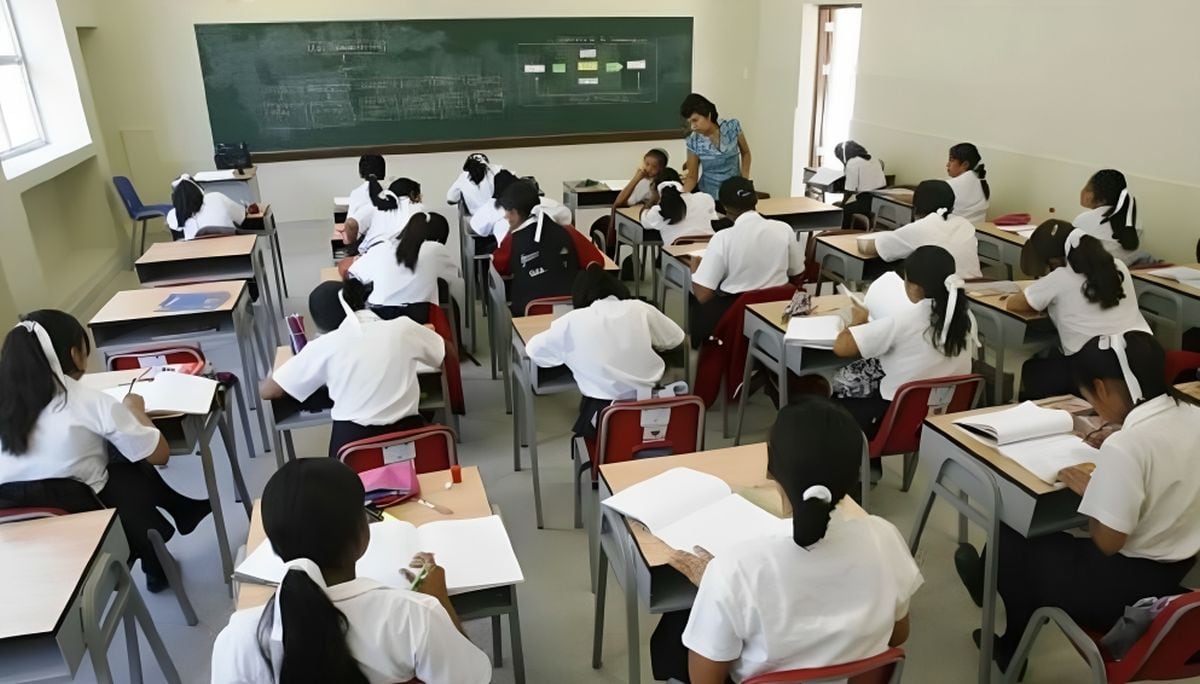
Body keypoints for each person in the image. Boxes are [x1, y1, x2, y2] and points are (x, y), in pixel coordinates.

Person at [955, 331, 1200, 676]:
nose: (1096, 413)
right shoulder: (1191, 413)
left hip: (1123, 592)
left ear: (1100, 388)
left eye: (1091, 400)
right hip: (1177, 570)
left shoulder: (1129, 446)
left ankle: (1009, 643)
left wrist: (1095, 491)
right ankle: (993, 591)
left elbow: (1108, 541)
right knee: (1039, 550)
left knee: (1012, 534)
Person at [650, 396, 923, 683]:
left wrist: (714, 587)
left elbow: (705, 680)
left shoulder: (735, 569)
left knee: (678, 624)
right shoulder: (884, 537)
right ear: (856, 473)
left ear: (770, 467)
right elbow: (898, 633)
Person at [210, 458, 491, 683]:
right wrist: (440, 600)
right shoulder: (413, 616)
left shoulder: (237, 640)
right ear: (361, 535)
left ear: (274, 545)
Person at [0, 310, 210, 592]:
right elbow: (160, 454)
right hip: (96, 534)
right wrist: (134, 410)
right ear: (76, 354)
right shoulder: (89, 401)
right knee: (125, 462)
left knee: (108, 463)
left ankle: (168, 533)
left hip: (23, 548)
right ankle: (158, 549)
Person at [260, 281, 445, 458]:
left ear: (321, 325)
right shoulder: (402, 328)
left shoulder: (325, 345)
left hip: (354, 449)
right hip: (413, 440)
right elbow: (440, 354)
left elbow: (269, 391)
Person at [832, 245, 976, 438]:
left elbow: (841, 347)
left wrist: (858, 320)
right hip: (948, 410)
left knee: (841, 384)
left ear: (915, 287)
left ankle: (857, 451)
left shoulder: (906, 320)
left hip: (897, 418)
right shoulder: (964, 317)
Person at [527, 264, 685, 439]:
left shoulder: (571, 321)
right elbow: (676, 337)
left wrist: (570, 355)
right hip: (655, 407)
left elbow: (534, 351)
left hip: (604, 412)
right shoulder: (640, 308)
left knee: (585, 441)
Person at [1006, 220, 1151, 398]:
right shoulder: (1119, 266)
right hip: (1140, 356)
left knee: (1033, 370)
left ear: (1054, 260)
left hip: (1094, 365)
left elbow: (1015, 304)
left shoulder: (1060, 277)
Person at [689, 177, 805, 347]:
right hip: (778, 309)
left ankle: (707, 355)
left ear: (724, 206)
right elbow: (798, 272)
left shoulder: (723, 238)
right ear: (755, 200)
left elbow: (703, 295)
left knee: (696, 305)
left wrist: (695, 271)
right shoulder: (783, 228)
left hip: (737, 313)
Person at [492, 179, 606, 315]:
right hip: (572, 310)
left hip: (530, 314)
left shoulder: (512, 239)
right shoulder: (567, 230)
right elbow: (597, 261)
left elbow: (497, 267)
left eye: (507, 212)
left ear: (515, 213)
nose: (506, 217)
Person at [347, 212, 463, 323]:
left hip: (380, 314)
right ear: (439, 238)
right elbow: (453, 279)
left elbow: (353, 272)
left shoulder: (382, 248)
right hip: (418, 316)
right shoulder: (435, 249)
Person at [862, 179, 983, 279]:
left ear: (917, 204)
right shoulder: (964, 224)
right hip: (975, 288)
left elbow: (873, 248)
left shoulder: (922, 226)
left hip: (947, 293)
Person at [471, 169, 572, 244]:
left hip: (515, 262)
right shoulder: (547, 204)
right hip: (553, 256)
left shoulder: (493, 208)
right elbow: (567, 217)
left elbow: (478, 227)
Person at [681, 93, 752, 200]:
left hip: (735, 192)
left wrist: (744, 179)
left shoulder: (732, 127)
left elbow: (746, 153)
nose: (693, 127)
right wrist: (681, 195)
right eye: (690, 122)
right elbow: (692, 177)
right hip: (709, 196)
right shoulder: (693, 141)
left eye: (695, 120)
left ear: (708, 115)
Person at [1074, 169, 1147, 266]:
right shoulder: (1136, 224)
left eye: (1088, 189)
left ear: (1102, 200)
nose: (1083, 191)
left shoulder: (1083, 220)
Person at [343, 177, 424, 254]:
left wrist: (352, 243)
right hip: (404, 258)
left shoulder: (375, 205)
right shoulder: (419, 209)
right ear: (413, 195)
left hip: (372, 254)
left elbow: (351, 224)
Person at [641, 168, 719, 246]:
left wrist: (653, 198)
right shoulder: (705, 198)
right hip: (708, 248)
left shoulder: (659, 211)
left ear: (655, 187)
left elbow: (643, 219)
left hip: (678, 254)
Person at [165, 174, 246, 240]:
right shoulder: (217, 197)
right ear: (199, 188)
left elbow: (178, 238)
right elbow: (241, 218)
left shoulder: (173, 215)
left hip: (198, 257)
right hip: (233, 251)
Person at [835, 140, 887, 229]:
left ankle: (841, 235)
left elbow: (850, 190)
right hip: (881, 200)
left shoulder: (852, 163)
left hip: (867, 201)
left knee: (842, 211)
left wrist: (843, 205)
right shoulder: (874, 159)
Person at [945, 142, 990, 223]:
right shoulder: (980, 181)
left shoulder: (953, 186)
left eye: (951, 160)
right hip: (976, 232)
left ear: (965, 164)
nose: (947, 164)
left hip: (956, 232)